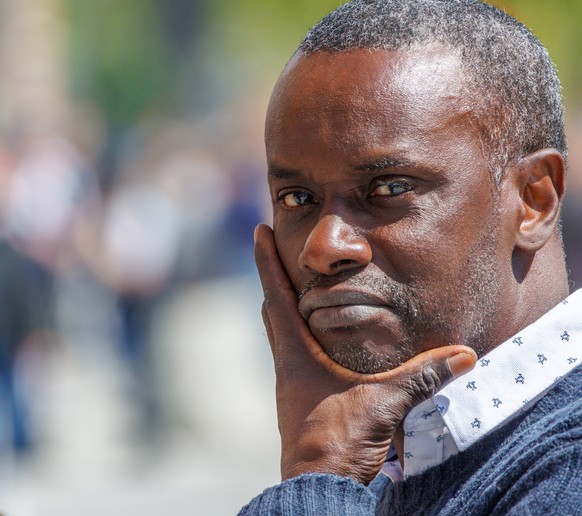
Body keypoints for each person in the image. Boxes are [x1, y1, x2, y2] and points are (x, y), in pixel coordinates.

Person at [240, 0, 581, 514]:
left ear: (534, 201)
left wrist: (320, 469)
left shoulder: (564, 472)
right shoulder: (399, 453)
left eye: (389, 188)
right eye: (297, 199)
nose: (324, 246)